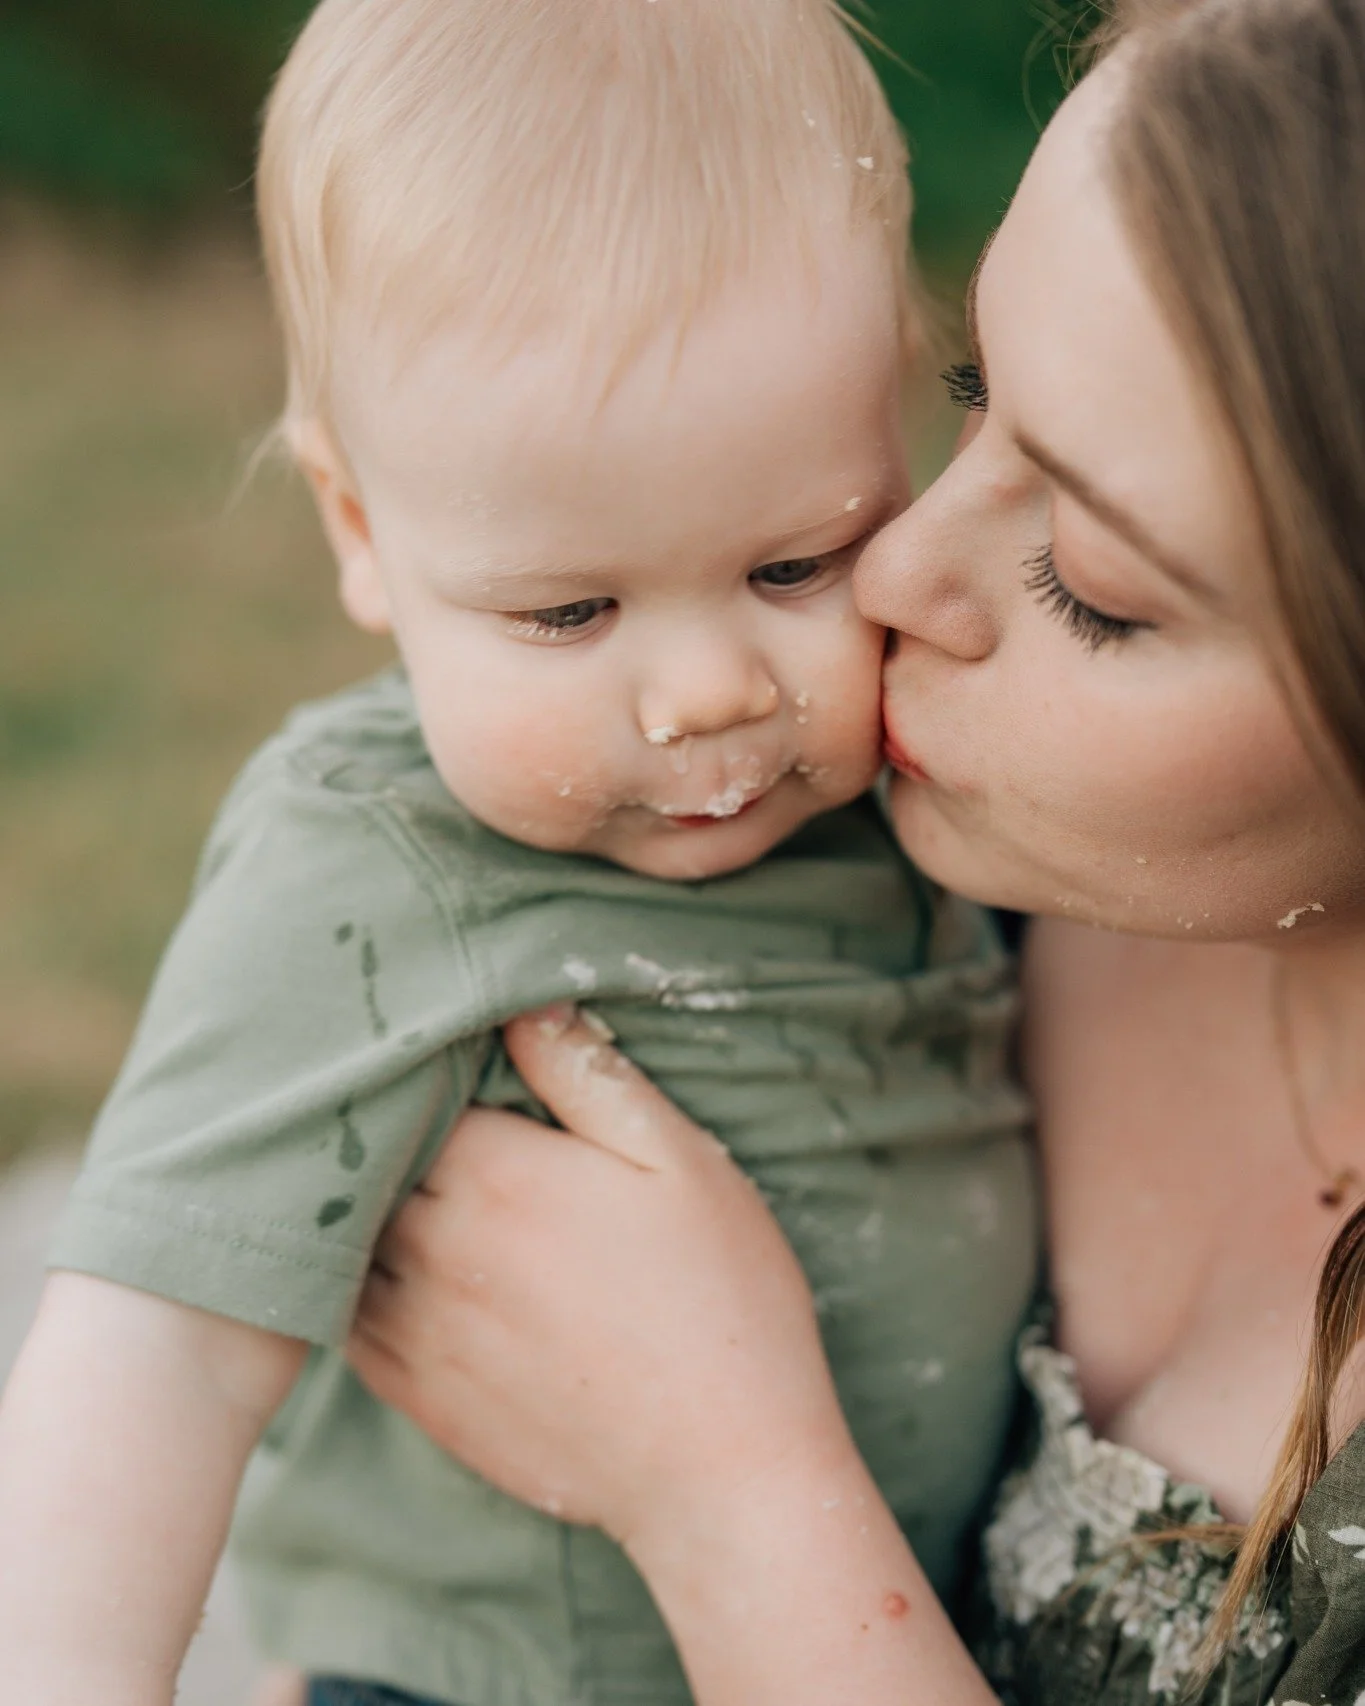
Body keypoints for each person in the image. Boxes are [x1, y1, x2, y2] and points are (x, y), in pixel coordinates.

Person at [0, 3, 1044, 1704]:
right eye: (571, 609)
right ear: (358, 528)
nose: (711, 691)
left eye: (798, 562)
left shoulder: (912, 776)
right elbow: (154, 1355)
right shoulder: (371, 866)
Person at [340, 2, 1365, 1704]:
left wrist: (735, 1499)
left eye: (1090, 586)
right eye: (975, 395)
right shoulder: (938, 866)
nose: (892, 574)